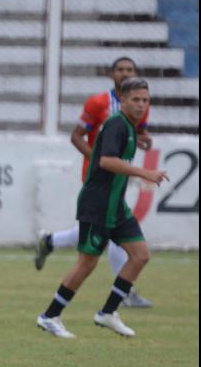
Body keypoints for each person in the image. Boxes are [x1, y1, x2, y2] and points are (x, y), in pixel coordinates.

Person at [35, 77, 167, 339]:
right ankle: (50, 316)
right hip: (98, 204)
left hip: (116, 206)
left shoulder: (130, 127)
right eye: (136, 100)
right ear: (123, 101)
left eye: (145, 100)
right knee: (87, 263)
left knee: (140, 255)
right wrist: (144, 172)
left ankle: (107, 313)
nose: (141, 105)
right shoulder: (116, 124)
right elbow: (106, 161)